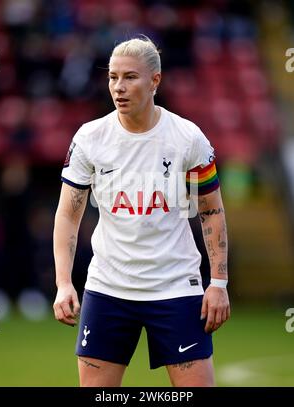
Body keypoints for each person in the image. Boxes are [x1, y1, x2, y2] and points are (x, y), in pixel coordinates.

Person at [53, 36, 230, 387]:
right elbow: (67, 215)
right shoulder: (91, 138)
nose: (118, 87)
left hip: (176, 286)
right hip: (108, 287)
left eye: (130, 77)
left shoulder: (187, 138)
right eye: (112, 77)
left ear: (155, 81)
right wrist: (62, 283)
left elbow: (211, 212)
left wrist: (219, 283)